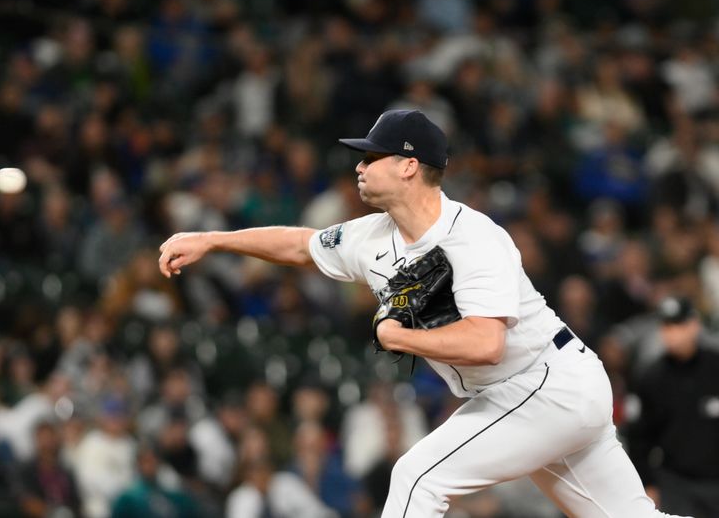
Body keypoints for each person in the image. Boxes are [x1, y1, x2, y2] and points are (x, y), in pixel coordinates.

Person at [158, 109, 689, 517]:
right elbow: (301, 244)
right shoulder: (372, 236)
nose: (359, 166)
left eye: (372, 156)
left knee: (417, 478)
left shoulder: (474, 237)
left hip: (546, 382)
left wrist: (399, 337)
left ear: (409, 165)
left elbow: (486, 343)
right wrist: (213, 239)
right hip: (524, 391)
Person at [625, 296, 719, 518]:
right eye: (666, 326)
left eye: (678, 324)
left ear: (694, 325)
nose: (672, 333)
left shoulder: (716, 368)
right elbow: (639, 437)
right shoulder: (650, 377)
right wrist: (647, 482)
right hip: (676, 484)